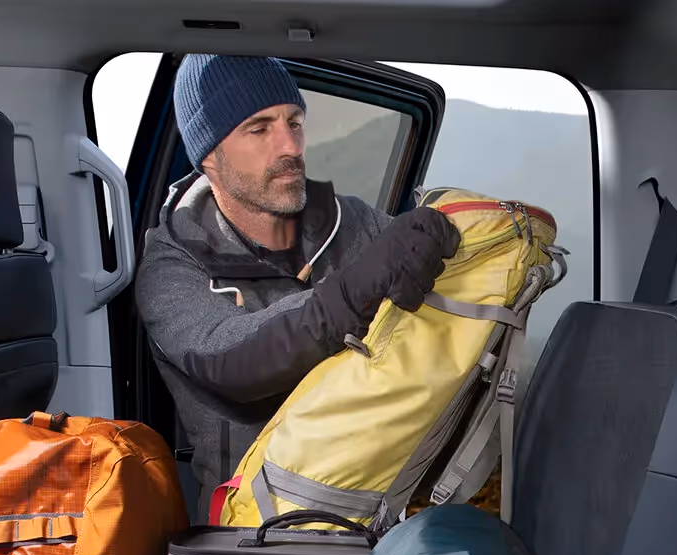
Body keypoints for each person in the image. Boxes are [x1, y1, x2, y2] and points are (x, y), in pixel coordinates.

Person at [137, 55, 460, 518]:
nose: (289, 145)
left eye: (295, 121)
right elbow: (232, 362)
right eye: (259, 128)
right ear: (210, 155)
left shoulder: (355, 222)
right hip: (260, 519)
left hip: (385, 499)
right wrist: (351, 292)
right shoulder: (172, 265)